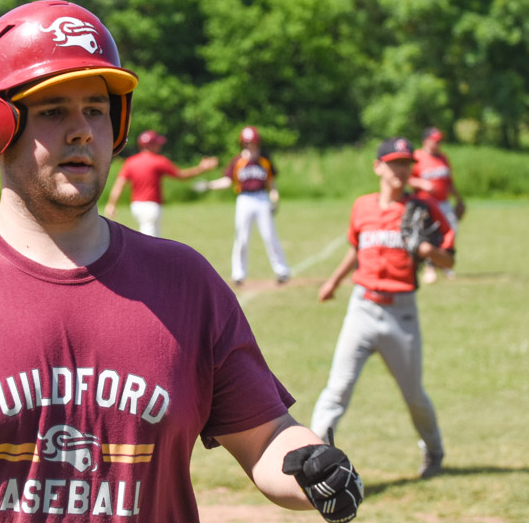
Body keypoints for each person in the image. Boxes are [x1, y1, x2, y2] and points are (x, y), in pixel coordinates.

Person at [0, 0, 363, 522]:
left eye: (96, 109)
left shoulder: (186, 283)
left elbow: (266, 439)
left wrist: (313, 468)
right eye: (53, 111)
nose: (82, 130)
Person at [310, 137, 455, 479]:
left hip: (401, 314)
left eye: (406, 163)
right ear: (378, 167)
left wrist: (427, 251)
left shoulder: (421, 208)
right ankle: (314, 461)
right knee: (337, 390)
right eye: (393, 163)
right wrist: (333, 282)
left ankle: (434, 451)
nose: (400, 170)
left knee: (413, 395)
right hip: (361, 307)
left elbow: (449, 259)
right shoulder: (362, 206)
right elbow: (356, 248)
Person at [199, 126, 291, 286]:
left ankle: (282, 271)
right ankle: (238, 274)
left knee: (269, 236)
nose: (250, 146)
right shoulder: (238, 161)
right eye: (247, 143)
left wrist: (274, 198)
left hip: (262, 198)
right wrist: (209, 185)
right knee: (241, 238)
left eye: (253, 142)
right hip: (244, 199)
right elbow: (228, 181)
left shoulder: (264, 160)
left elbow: (271, 183)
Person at [104, 130, 217, 237]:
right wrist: (200, 168)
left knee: (152, 237)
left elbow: (119, 184)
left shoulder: (130, 162)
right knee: (149, 241)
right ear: (150, 145)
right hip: (151, 206)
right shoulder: (158, 161)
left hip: (136, 206)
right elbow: (181, 175)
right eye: (157, 144)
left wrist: (111, 204)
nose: (159, 146)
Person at [408, 127, 466, 283]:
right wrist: (421, 183)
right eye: (435, 140)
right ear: (425, 141)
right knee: (429, 234)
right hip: (425, 204)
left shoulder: (442, 158)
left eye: (440, 141)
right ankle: (430, 267)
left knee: (450, 231)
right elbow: (406, 178)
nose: (438, 143)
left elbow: (449, 182)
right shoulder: (417, 157)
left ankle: (444, 262)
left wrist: (459, 199)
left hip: (443, 203)